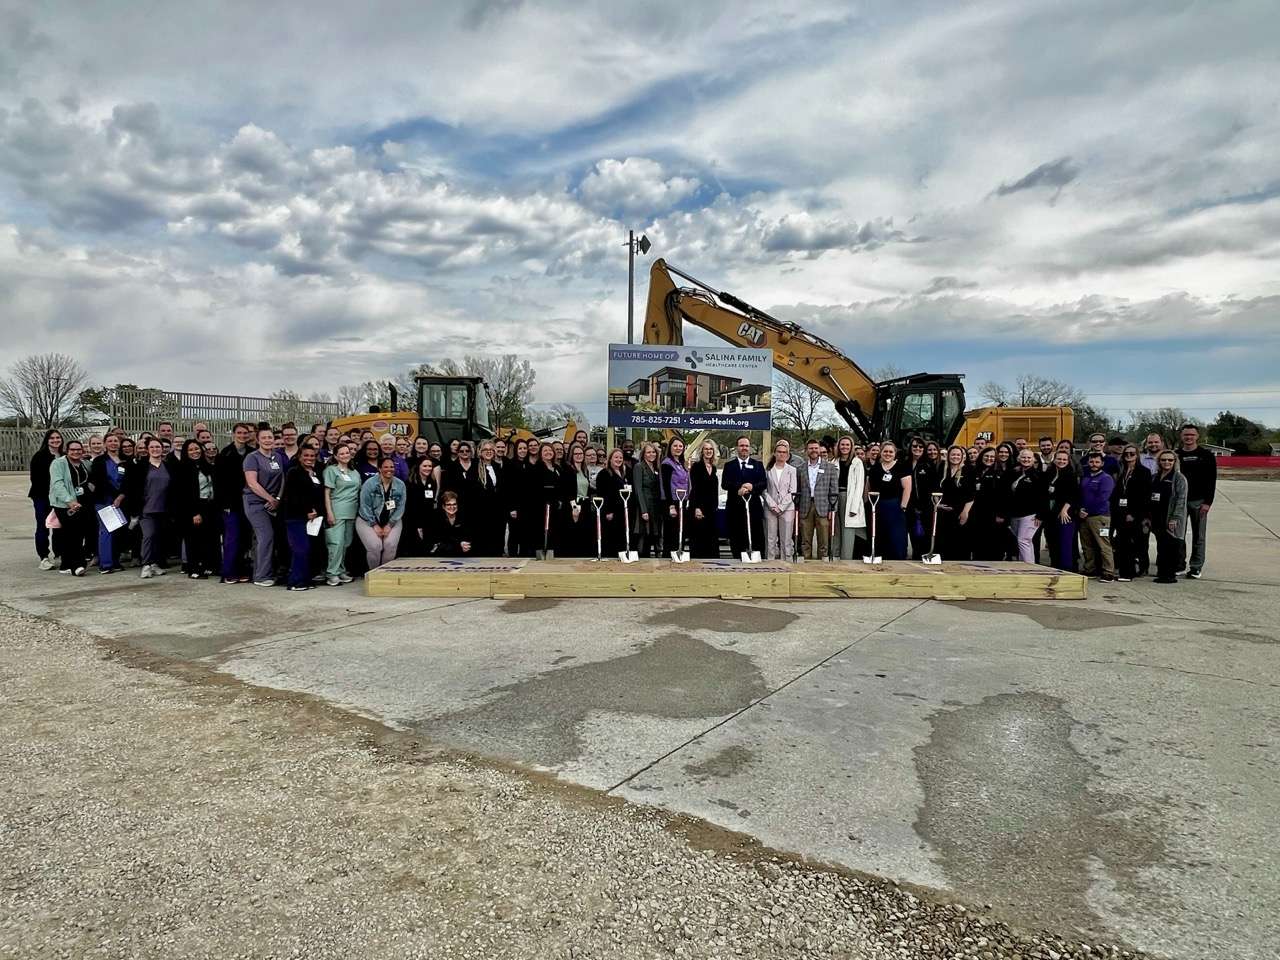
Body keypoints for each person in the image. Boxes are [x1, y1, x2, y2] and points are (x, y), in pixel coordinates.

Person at [169, 438, 220, 579]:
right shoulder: (182, 468)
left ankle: (207, 566)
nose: (194, 452)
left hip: (209, 505)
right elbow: (184, 494)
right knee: (193, 540)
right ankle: (193, 569)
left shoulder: (206, 465)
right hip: (192, 508)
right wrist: (194, 512)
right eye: (190, 450)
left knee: (206, 539)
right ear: (186, 452)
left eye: (197, 449)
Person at [242, 427, 285, 587]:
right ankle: (261, 576)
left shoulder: (277, 457)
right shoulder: (252, 458)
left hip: (273, 502)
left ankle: (264, 571)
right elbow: (252, 483)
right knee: (266, 536)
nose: (268, 440)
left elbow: (282, 479)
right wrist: (269, 498)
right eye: (264, 437)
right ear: (258, 440)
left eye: (270, 437)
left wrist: (277, 499)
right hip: (255, 503)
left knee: (266, 539)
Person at [125, 438, 172, 579]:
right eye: (152, 447)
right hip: (146, 509)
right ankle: (146, 564)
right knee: (149, 536)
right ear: (147, 449)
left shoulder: (168, 466)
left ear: (162, 449)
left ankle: (155, 564)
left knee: (160, 537)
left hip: (164, 509)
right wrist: (134, 511)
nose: (155, 449)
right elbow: (133, 490)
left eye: (158, 446)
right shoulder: (140, 467)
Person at [281, 446, 324, 590]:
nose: (309, 458)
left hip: (313, 519)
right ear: (299, 457)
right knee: (300, 549)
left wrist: (316, 511)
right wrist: (306, 511)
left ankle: (306, 579)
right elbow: (292, 496)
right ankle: (295, 581)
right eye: (306, 455)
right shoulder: (294, 473)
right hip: (296, 517)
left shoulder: (316, 473)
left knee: (309, 548)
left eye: (312, 456)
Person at [1175, 424, 1215, 579]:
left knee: (1199, 536)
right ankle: (1179, 564)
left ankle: (1196, 567)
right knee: (1178, 535)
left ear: (1197, 436)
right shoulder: (1176, 455)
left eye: (1192, 434)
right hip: (1180, 501)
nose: (1189, 437)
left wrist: (1208, 502)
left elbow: (1211, 480)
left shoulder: (1206, 455)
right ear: (1181, 436)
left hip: (1199, 501)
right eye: (1186, 435)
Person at [216, 423, 253, 583]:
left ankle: (242, 570)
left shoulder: (252, 453)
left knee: (245, 539)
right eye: (240, 433)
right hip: (231, 503)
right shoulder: (225, 454)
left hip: (249, 502)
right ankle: (229, 572)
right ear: (234, 434)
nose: (243, 435)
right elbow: (218, 482)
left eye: (245, 433)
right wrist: (224, 503)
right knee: (232, 539)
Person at [49, 439, 91, 575]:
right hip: (64, 504)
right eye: (72, 449)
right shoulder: (58, 463)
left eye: (78, 449)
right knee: (72, 533)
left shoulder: (85, 464)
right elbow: (57, 484)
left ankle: (65, 564)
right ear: (67, 450)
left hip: (81, 502)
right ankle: (77, 565)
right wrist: (69, 501)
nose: (76, 452)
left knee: (78, 533)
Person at [864, 440, 912, 560]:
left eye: (891, 452)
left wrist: (903, 506)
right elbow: (868, 486)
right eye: (885, 451)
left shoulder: (902, 467)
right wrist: (867, 503)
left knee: (896, 537)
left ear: (895, 453)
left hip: (895, 506)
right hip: (877, 506)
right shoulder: (875, 468)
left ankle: (897, 560)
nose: (888, 454)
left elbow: (907, 488)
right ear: (881, 453)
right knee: (879, 535)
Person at [88, 432, 128, 574]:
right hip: (104, 501)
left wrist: (121, 496)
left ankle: (115, 561)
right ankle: (106, 564)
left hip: (120, 501)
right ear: (105, 444)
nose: (113, 443)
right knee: (106, 531)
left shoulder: (124, 460)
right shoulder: (100, 461)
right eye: (110, 441)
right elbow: (99, 481)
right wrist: (114, 497)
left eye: (115, 441)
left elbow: (128, 481)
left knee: (118, 531)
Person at [357, 456, 407, 570]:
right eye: (385, 467)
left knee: (390, 545)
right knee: (375, 546)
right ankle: (374, 573)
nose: (389, 469)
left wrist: (390, 524)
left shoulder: (400, 485)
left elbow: (400, 507)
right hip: (367, 520)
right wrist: (374, 524)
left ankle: (384, 574)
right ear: (379, 468)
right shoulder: (369, 484)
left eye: (391, 467)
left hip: (392, 519)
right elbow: (364, 506)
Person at [1111, 444, 1151, 581]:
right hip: (1120, 512)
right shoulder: (1123, 470)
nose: (1129, 456)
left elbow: (1144, 496)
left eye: (1132, 453)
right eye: (1126, 453)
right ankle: (1124, 570)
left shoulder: (1144, 472)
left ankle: (1128, 573)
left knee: (1130, 544)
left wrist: (1133, 513)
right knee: (1121, 543)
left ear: (1137, 455)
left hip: (1134, 514)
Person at [721, 436, 766, 559]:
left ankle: (757, 562)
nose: (744, 448)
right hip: (735, 509)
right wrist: (738, 489)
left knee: (757, 538)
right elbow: (724, 484)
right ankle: (737, 562)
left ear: (750, 448)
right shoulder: (729, 465)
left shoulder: (758, 465)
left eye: (746, 446)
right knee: (736, 539)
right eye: (741, 446)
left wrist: (751, 487)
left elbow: (763, 483)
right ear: (737, 448)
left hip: (753, 509)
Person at [322, 442, 360, 586]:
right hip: (336, 511)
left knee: (346, 543)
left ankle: (341, 570)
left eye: (347, 452)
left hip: (351, 512)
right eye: (342, 453)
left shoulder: (354, 472)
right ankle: (332, 573)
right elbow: (327, 493)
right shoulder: (331, 470)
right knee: (335, 543)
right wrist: (329, 513)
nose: (345, 455)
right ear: (336, 456)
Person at [795, 438, 838, 559]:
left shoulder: (830, 468)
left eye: (815, 448)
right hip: (805, 507)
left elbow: (834, 490)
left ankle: (822, 566)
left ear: (819, 449)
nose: (813, 450)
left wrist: (832, 509)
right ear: (806, 450)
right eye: (811, 448)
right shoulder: (800, 468)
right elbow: (798, 489)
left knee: (823, 541)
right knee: (805, 541)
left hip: (823, 507)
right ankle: (806, 566)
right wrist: (796, 507)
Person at [1077, 451, 1116, 580]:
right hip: (1084, 517)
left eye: (1097, 462)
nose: (1094, 464)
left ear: (1102, 463)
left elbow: (1102, 498)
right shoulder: (1086, 477)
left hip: (1100, 517)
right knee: (1087, 545)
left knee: (1103, 544)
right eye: (1092, 461)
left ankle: (1108, 571)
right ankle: (1090, 569)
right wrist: (1080, 510)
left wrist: (1087, 510)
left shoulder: (1106, 478)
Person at [1151, 450, 1188, 584]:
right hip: (1157, 517)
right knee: (1161, 546)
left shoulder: (1179, 478)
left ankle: (1170, 575)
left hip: (1170, 517)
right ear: (1159, 461)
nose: (1167, 462)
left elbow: (1181, 500)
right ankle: (1162, 573)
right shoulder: (1155, 476)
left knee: (1171, 547)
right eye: (1164, 460)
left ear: (1174, 462)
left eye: (1170, 460)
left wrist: (1174, 518)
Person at [29, 429, 64, 569]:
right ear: (47, 440)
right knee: (43, 526)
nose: (55, 440)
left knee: (59, 527)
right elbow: (35, 479)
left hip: (60, 498)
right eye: (52, 438)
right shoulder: (39, 456)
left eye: (58, 437)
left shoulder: (64, 455)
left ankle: (59, 553)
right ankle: (43, 557)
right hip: (42, 497)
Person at [1005, 449, 1045, 563]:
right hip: (1015, 514)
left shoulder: (1038, 476)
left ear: (1033, 460)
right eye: (1023, 457)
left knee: (1023, 540)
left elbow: (1043, 497)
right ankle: (1028, 565)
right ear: (1019, 459)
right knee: (1025, 542)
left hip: (1030, 515)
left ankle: (1028, 569)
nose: (1026, 460)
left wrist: (1040, 515)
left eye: (1029, 458)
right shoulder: (1014, 473)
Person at [1042, 449, 1079, 572]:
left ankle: (1067, 569)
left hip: (1065, 514)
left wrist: (1064, 510)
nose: (1061, 461)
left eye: (1064, 459)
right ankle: (1055, 567)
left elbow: (1073, 494)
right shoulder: (1049, 473)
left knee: (1065, 544)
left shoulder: (1071, 475)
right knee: (1052, 542)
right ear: (1054, 459)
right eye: (1059, 459)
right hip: (1050, 514)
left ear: (1068, 461)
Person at [936, 446, 975, 560]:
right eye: (953, 454)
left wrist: (965, 512)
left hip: (961, 512)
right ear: (948, 456)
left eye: (958, 455)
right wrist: (938, 505)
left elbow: (971, 494)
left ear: (962, 456)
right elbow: (934, 489)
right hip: (944, 513)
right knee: (944, 544)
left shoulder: (969, 470)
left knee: (961, 545)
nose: (955, 457)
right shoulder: (942, 468)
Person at [968, 448, 1005, 561]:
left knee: (994, 545)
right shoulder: (974, 471)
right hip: (976, 514)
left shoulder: (1000, 473)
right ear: (981, 456)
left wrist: (1001, 514)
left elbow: (1005, 496)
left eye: (992, 457)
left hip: (993, 515)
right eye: (986, 456)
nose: (989, 459)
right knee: (978, 545)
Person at [763, 439, 797, 561]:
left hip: (787, 509)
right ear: (775, 453)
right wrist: (772, 505)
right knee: (770, 539)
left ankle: (786, 563)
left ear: (787, 455)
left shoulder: (792, 470)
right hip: (770, 508)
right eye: (779, 451)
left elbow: (792, 491)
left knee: (786, 539)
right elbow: (764, 490)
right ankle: (770, 564)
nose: (781, 454)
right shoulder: (768, 470)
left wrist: (781, 506)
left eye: (784, 452)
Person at [907, 436, 940, 559]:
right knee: (914, 537)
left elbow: (935, 488)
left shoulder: (928, 465)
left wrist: (934, 505)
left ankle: (926, 559)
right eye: (915, 446)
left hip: (926, 508)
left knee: (925, 537)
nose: (917, 448)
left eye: (920, 446)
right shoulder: (904, 463)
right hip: (909, 508)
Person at [593, 448, 629, 555]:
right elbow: (602, 494)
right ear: (610, 459)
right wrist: (608, 511)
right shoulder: (604, 474)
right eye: (616, 457)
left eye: (621, 457)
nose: (619, 459)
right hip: (610, 513)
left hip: (622, 511)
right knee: (610, 538)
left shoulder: (623, 474)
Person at [473, 440, 505, 556]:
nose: (489, 452)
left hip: (497, 514)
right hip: (481, 514)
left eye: (491, 450)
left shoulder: (497, 467)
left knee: (497, 545)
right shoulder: (474, 468)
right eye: (486, 450)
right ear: (480, 452)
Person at [688, 440, 720, 559]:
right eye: (706, 449)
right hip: (699, 508)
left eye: (710, 449)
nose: (708, 451)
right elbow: (694, 488)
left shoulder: (714, 468)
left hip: (711, 509)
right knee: (698, 539)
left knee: (711, 540)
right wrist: (696, 507)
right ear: (702, 451)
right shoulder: (696, 467)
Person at [632, 442, 663, 558]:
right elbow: (638, 489)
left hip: (656, 507)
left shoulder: (657, 467)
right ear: (643, 454)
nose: (651, 454)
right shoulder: (639, 466)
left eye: (653, 452)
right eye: (648, 452)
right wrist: (643, 510)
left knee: (655, 535)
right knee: (643, 536)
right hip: (644, 506)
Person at [404, 455, 439, 556]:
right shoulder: (410, 483)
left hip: (428, 522)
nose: (428, 468)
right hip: (412, 522)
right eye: (425, 466)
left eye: (430, 466)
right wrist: (418, 526)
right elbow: (410, 507)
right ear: (418, 466)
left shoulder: (432, 482)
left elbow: (430, 504)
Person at [660, 438, 690, 558]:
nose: (678, 448)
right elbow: (666, 485)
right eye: (675, 446)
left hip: (682, 502)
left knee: (680, 532)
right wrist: (671, 506)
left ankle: (679, 555)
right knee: (671, 533)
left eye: (680, 446)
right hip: (672, 502)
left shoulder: (681, 464)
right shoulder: (667, 463)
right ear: (670, 448)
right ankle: (668, 558)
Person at [838, 441, 867, 559]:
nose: (844, 447)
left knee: (848, 531)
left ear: (851, 447)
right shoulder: (834, 461)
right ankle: (835, 558)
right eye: (842, 445)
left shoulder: (857, 462)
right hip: (835, 497)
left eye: (847, 445)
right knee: (836, 530)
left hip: (849, 498)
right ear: (839, 446)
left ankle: (846, 559)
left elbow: (860, 485)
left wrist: (854, 507)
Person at [431, 491, 472, 556]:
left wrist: (465, 545)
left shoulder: (463, 518)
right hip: (441, 556)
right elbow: (440, 540)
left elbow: (467, 536)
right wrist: (458, 544)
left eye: (454, 504)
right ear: (443, 506)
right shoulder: (437, 519)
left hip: (461, 556)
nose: (452, 507)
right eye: (448, 504)